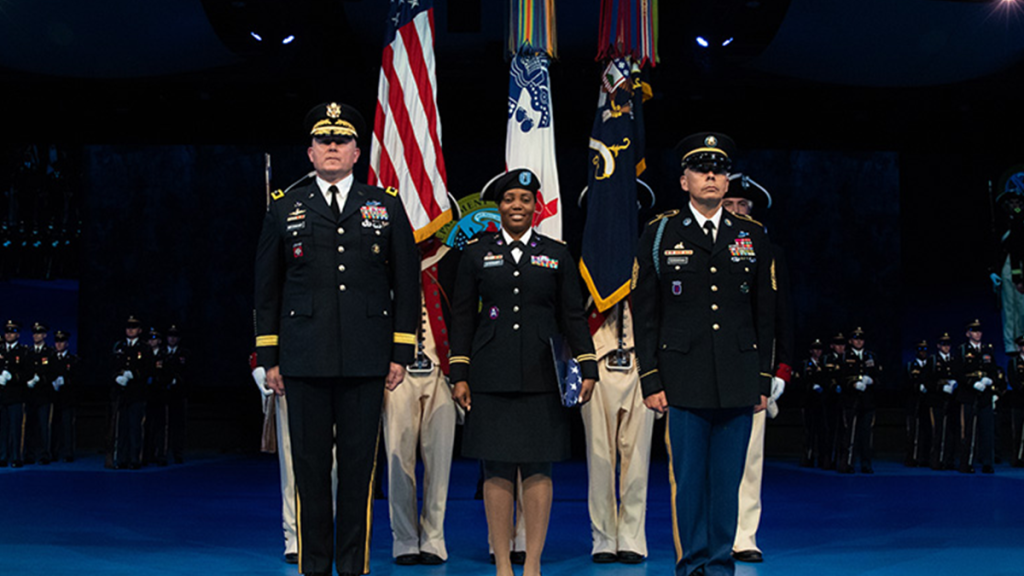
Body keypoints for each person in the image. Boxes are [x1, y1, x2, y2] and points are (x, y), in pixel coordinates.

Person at [254, 101, 419, 576]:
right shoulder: (285, 207)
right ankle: (314, 565)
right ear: (310, 152)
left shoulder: (384, 204)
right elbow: (267, 288)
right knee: (308, 472)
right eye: (324, 140)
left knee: (357, 472)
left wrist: (400, 352)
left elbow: (406, 284)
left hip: (367, 359)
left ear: (356, 152)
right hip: (302, 359)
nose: (332, 147)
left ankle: (353, 565)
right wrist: (270, 357)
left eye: (341, 140)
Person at [633, 133, 776, 576]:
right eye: (701, 168)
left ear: (728, 178)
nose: (711, 175)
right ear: (684, 180)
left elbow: (765, 314)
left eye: (719, 168)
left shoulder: (751, 235)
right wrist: (651, 379)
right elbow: (645, 313)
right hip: (683, 376)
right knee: (690, 481)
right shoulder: (660, 233)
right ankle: (691, 564)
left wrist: (763, 379)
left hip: (737, 376)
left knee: (727, 483)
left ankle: (720, 564)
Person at [449, 168, 598, 576]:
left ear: (536, 207)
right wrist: (459, 371)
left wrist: (587, 365)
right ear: (499, 207)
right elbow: (462, 315)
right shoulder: (477, 253)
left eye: (525, 199)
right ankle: (501, 562)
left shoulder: (557, 253)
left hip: (542, 376)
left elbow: (572, 314)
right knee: (496, 467)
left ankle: (531, 563)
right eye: (510, 199)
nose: (517, 205)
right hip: (490, 374)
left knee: (538, 467)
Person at [721, 174, 792, 565]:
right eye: (729, 205)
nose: (735, 211)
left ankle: (745, 535)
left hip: (752, 363)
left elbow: (783, 315)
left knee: (750, 457)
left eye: (742, 206)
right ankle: (714, 533)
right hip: (710, 361)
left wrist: (781, 368)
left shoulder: (769, 251)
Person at [383, 238, 459, 566]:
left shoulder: (451, 260)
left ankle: (433, 536)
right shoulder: (384, 258)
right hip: (395, 372)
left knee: (439, 461)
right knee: (398, 459)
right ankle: (404, 537)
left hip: (441, 369)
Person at [581, 300, 653, 565]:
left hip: (641, 360)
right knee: (600, 455)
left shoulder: (647, 259)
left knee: (637, 456)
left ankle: (632, 537)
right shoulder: (589, 259)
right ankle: (604, 538)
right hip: (598, 356)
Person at [955, 319, 1003, 474]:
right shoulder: (962, 350)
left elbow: (995, 370)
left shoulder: (987, 349)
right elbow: (958, 372)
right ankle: (966, 463)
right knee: (968, 430)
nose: (977, 333)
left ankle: (987, 463)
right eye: (974, 331)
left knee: (987, 430)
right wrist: (972, 383)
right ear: (968, 333)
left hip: (985, 395)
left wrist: (991, 381)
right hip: (969, 394)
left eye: (979, 331)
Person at [837, 327, 880, 474]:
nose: (859, 341)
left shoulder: (870, 356)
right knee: (850, 434)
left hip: (867, 402)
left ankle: (866, 464)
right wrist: (853, 383)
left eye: (861, 339)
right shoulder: (845, 356)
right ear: (850, 341)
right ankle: (847, 463)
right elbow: (840, 378)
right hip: (851, 400)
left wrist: (872, 381)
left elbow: (880, 377)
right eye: (856, 338)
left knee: (866, 435)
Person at [113, 316, 148, 470]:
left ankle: (135, 459)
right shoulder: (119, 346)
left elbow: (148, 369)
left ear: (139, 330)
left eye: (133, 327)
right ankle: (121, 459)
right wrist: (117, 376)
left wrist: (134, 375)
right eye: (128, 327)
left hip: (137, 392)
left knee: (135, 427)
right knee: (122, 428)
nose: (130, 330)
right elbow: (112, 365)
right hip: (122, 393)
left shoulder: (144, 348)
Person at [24, 322, 55, 465]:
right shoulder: (28, 352)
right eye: (35, 333)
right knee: (30, 426)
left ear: (44, 335)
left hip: (44, 395)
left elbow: (53, 372)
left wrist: (40, 379)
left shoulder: (49, 353)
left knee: (44, 426)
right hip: (30, 395)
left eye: (39, 333)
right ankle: (29, 454)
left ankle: (44, 454)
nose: (36, 336)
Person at [928, 333, 959, 470]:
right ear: (938, 346)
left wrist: (954, 384)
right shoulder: (933, 360)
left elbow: (959, 375)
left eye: (948, 344)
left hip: (952, 401)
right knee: (938, 431)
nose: (946, 347)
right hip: (937, 400)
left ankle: (949, 460)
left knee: (951, 432)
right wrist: (940, 386)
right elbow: (927, 381)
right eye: (943, 344)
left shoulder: (954, 360)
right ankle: (937, 460)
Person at [796, 339, 829, 468]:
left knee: (822, 432)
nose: (818, 352)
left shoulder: (825, 364)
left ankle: (822, 459)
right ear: (811, 350)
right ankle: (808, 458)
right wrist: (811, 386)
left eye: (820, 349)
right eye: (815, 349)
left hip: (822, 403)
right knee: (809, 432)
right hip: (808, 402)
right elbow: (799, 381)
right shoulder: (805, 364)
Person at [0, 320, 28, 467]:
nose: (9, 335)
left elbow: (27, 374)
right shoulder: (0, 350)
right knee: (2, 429)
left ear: (17, 334)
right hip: (1, 396)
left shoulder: (22, 352)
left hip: (16, 395)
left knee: (16, 428)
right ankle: (3, 456)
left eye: (12, 332)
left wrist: (13, 376)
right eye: (7, 332)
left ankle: (17, 457)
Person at [50, 329, 79, 462]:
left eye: (62, 341)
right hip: (53, 398)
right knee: (54, 427)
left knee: (68, 427)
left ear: (67, 343)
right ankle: (54, 452)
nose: (59, 344)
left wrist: (65, 381)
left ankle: (68, 453)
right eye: (57, 341)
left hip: (68, 398)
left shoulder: (73, 360)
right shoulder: (51, 359)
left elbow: (78, 377)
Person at [143, 327, 170, 466]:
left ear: (159, 341)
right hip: (147, 394)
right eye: (149, 339)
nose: (151, 342)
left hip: (160, 394)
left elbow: (167, 374)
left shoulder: (164, 356)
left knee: (160, 426)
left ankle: (160, 454)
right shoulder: (144, 355)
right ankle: (147, 454)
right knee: (147, 426)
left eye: (154, 339)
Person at [904, 340, 932, 467]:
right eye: (921, 350)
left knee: (927, 431)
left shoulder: (931, 365)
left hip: (927, 402)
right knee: (913, 432)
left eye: (925, 350)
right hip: (914, 402)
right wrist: (917, 387)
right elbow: (905, 384)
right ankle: (912, 458)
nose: (923, 353)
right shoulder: (910, 366)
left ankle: (925, 458)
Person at [164, 325, 188, 463]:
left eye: (175, 336)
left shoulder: (184, 354)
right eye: (170, 336)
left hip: (179, 394)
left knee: (178, 426)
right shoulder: (162, 353)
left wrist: (177, 380)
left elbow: (188, 372)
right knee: (162, 425)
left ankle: (178, 453)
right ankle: (161, 453)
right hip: (163, 394)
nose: (172, 339)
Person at [1007, 335, 1024, 467]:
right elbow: (1013, 381)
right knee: (1017, 430)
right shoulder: (1013, 362)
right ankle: (1016, 458)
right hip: (1018, 401)